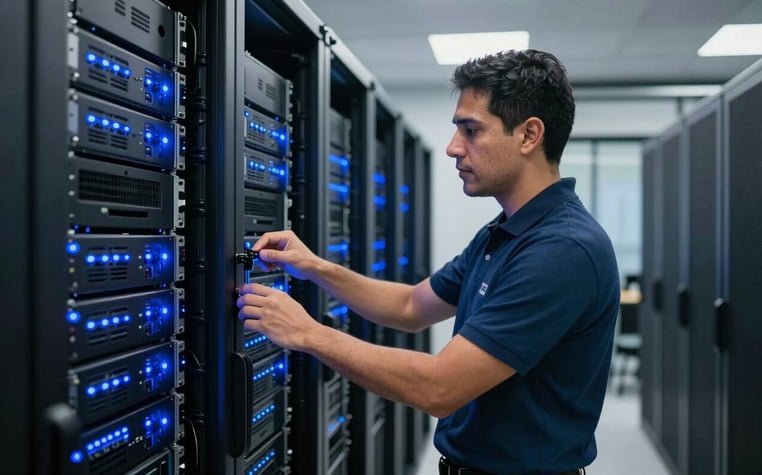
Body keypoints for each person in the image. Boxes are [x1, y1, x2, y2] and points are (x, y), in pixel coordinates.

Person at [237, 49, 620, 475]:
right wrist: (314, 267)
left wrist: (307, 333)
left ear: (529, 135)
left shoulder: (561, 249)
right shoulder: (505, 232)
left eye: (471, 130)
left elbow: (440, 387)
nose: (453, 148)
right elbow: (411, 306)